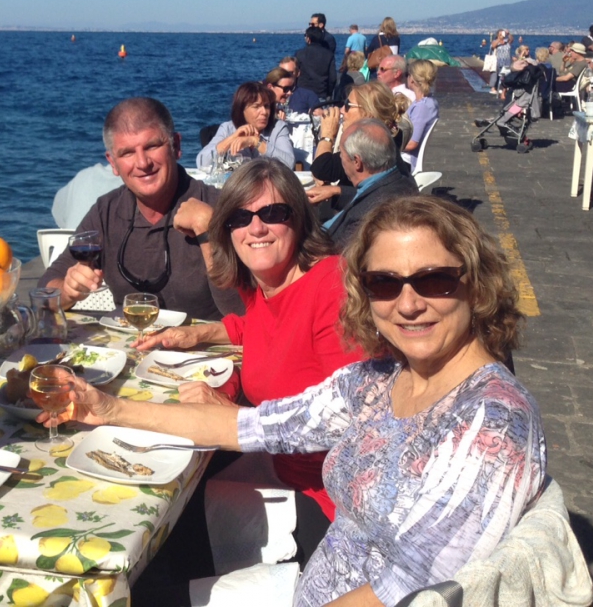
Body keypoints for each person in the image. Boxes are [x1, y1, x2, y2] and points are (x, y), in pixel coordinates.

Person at [56, 195, 546, 607]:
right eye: (384, 283)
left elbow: (414, 591)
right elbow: (253, 427)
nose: (409, 303)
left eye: (434, 279)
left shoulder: (492, 421)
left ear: (477, 283)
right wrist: (109, 409)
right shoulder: (378, 381)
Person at [134, 159, 364, 554]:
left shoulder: (331, 286)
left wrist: (232, 417)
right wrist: (198, 334)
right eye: (240, 217)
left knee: (166, 542)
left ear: (299, 219)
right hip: (279, 466)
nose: (256, 228)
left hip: (329, 500)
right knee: (156, 488)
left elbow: (354, 418)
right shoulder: (266, 283)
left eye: (273, 213)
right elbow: (264, 329)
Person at [40, 97, 243, 318]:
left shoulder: (219, 207)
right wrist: (68, 291)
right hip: (131, 338)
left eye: (152, 146)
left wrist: (209, 233)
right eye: (127, 153)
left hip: (209, 339)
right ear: (113, 163)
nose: (143, 163)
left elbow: (248, 314)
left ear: (176, 146)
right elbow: (43, 293)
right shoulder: (106, 212)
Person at [308, 81, 410, 210]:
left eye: (348, 105)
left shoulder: (370, 146)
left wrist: (327, 135)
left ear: (367, 113)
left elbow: (322, 169)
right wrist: (337, 190)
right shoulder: (387, 136)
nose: (342, 110)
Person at [323, 118, 418, 244]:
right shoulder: (397, 179)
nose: (340, 158)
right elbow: (370, 194)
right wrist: (338, 191)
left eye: (341, 154)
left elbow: (334, 251)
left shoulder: (366, 218)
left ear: (357, 162)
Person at [196, 81, 295, 170]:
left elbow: (289, 164)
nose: (264, 112)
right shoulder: (227, 128)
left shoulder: (277, 128)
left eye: (266, 106)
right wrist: (232, 138)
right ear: (242, 110)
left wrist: (256, 141)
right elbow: (201, 163)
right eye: (256, 107)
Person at [402, 58, 440, 168]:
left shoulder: (422, 107)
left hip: (406, 161)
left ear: (412, 79)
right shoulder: (429, 101)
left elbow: (412, 143)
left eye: (407, 74)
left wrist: (389, 147)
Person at [294, 25, 337, 100]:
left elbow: (294, 74)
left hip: (302, 93)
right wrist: (329, 93)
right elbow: (332, 78)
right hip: (320, 94)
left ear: (308, 39)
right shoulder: (329, 55)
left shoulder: (300, 54)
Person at [490, 28, 513, 96]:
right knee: (495, 75)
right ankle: (493, 88)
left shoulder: (506, 42)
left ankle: (503, 88)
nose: (502, 35)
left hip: (507, 61)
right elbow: (493, 46)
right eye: (500, 34)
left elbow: (511, 40)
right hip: (498, 61)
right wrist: (499, 39)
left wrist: (508, 33)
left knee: (506, 76)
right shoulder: (495, 41)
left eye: (502, 34)